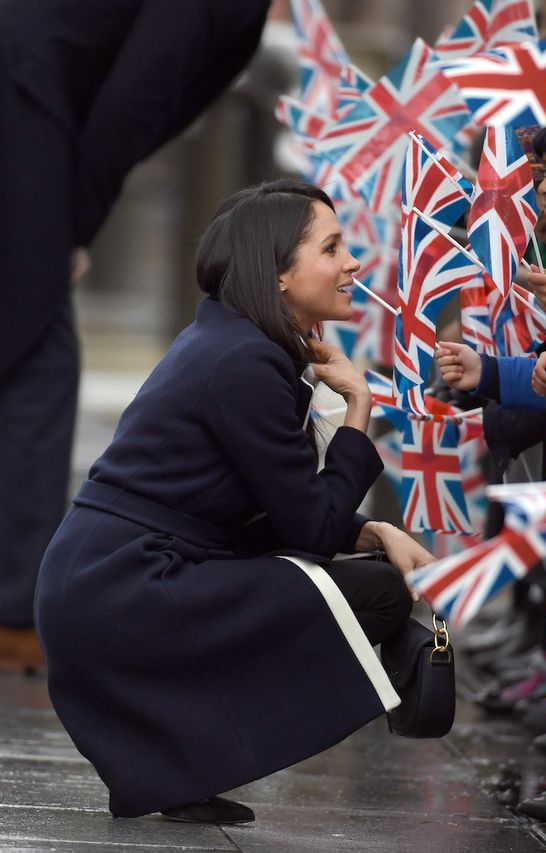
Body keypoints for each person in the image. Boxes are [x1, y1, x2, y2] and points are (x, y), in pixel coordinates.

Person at [34, 179, 434, 824]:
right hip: (125, 587)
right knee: (378, 595)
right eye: (331, 247)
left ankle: (183, 766)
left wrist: (374, 531)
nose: (352, 263)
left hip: (110, 580)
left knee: (365, 580)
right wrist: (359, 409)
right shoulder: (244, 359)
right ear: (277, 272)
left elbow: (283, 510)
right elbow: (307, 527)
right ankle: (188, 759)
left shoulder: (239, 344)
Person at [0, 0, 272, 671]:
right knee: (38, 355)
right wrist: (75, 227)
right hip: (23, 93)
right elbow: (134, 100)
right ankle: (11, 615)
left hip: (28, 85)